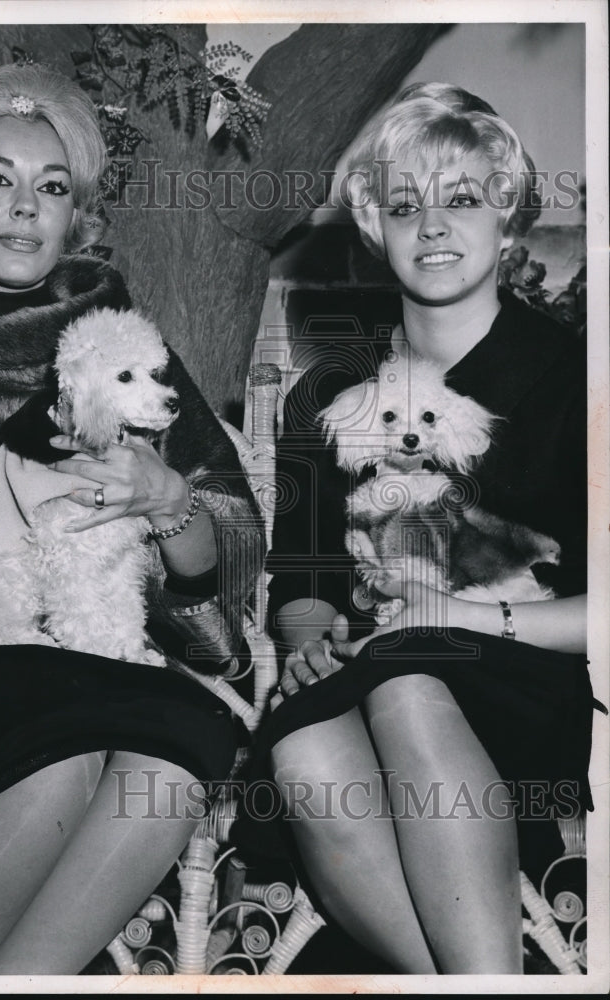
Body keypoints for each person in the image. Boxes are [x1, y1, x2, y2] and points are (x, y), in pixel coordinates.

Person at [0, 63, 262, 975]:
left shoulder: (130, 350)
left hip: (97, 666)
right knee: (95, 731)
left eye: (51, 188)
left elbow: (230, 549)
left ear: (76, 214)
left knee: (181, 746)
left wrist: (170, 503)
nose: (22, 208)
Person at [250, 83, 596, 974]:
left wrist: (454, 616)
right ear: (375, 228)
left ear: (507, 218)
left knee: (406, 678)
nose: (433, 226)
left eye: (462, 199)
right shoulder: (328, 393)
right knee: (301, 752)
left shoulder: (577, 380)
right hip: (361, 665)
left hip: (515, 674)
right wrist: (308, 641)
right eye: (404, 206)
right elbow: (301, 577)